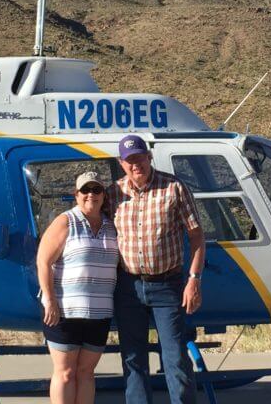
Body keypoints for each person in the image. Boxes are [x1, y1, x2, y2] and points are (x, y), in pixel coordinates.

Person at [106, 135, 206, 404]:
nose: (135, 164)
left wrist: (193, 280)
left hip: (167, 285)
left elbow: (196, 236)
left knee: (175, 356)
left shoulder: (174, 188)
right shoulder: (113, 193)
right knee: (132, 358)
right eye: (129, 160)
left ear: (149, 157)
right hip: (127, 286)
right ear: (121, 163)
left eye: (139, 158)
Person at [37, 171, 119, 404]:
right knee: (65, 374)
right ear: (76, 194)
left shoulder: (111, 226)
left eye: (96, 190)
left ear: (104, 195)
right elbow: (43, 260)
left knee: (86, 373)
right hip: (65, 312)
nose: (90, 195)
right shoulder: (66, 221)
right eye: (85, 190)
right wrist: (50, 300)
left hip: (99, 313)